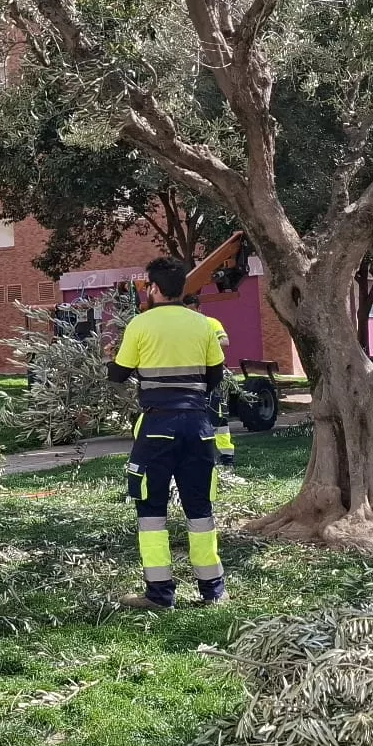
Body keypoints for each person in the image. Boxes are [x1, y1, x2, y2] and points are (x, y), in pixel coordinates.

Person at [109, 258, 227, 609]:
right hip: (197, 426)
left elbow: (118, 374)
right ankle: (213, 592)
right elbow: (216, 376)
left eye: (147, 286)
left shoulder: (140, 324)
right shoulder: (203, 325)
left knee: (151, 511)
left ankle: (160, 595)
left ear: (155, 288)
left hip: (157, 425)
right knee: (200, 509)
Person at [181, 291, 239, 468]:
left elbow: (225, 341)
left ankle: (227, 456)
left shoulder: (211, 323)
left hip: (214, 376)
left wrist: (204, 341)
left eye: (193, 310)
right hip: (194, 377)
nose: (190, 314)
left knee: (218, 417)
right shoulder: (183, 327)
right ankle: (202, 456)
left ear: (200, 308)